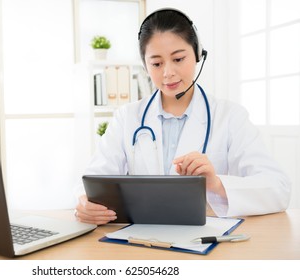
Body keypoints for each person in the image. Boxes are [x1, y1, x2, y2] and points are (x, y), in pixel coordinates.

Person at [75, 8, 291, 225]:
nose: (168, 72)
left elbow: (278, 189)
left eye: (178, 59)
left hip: (205, 241)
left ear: (197, 54)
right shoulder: (127, 117)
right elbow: (92, 182)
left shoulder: (230, 117)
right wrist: (85, 203)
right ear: (145, 65)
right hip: (141, 239)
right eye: (157, 63)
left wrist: (216, 184)